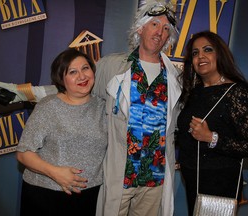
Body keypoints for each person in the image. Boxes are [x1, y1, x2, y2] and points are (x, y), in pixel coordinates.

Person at [93, 1, 181, 215]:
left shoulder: (176, 77)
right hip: (120, 173)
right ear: (140, 28)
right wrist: (27, 93)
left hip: (155, 178)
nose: (160, 32)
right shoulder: (112, 65)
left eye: (166, 28)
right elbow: (78, 92)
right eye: (154, 24)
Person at [176, 31, 248, 216]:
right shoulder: (195, 92)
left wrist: (211, 137)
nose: (201, 56)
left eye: (208, 50)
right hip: (193, 180)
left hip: (220, 182)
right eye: (195, 53)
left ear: (220, 54)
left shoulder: (238, 92)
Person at [16, 48, 107, 216]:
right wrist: (55, 173)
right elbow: (23, 154)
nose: (82, 76)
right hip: (45, 196)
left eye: (85, 68)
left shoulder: (104, 107)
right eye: (73, 72)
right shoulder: (48, 106)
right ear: (61, 79)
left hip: (90, 197)